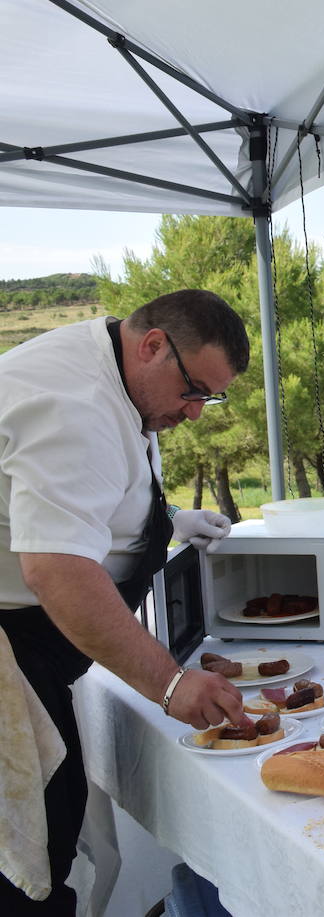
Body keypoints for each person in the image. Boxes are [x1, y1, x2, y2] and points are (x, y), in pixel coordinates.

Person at [0, 289, 250, 912]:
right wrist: (170, 684)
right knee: (32, 842)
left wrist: (159, 520)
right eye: (194, 392)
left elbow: (93, 486)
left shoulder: (115, 364)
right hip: (15, 649)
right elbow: (58, 573)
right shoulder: (76, 405)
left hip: (36, 641)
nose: (195, 413)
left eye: (209, 399)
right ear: (153, 345)